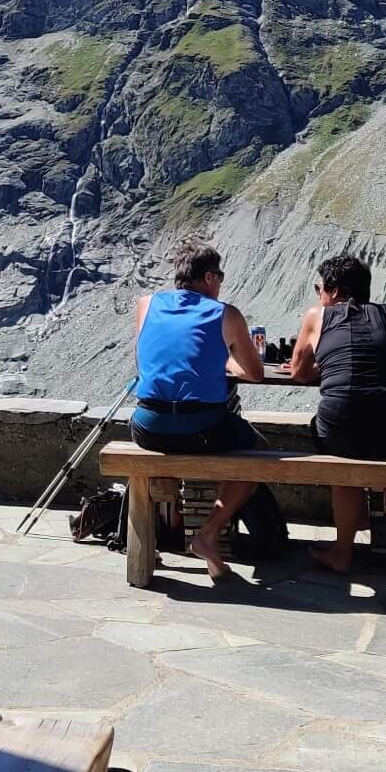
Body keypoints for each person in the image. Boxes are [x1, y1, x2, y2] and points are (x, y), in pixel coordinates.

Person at [131, 241, 266, 580]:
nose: (221, 284)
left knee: (157, 455)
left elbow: (147, 360)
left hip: (147, 426)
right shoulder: (226, 313)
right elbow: (255, 373)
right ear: (208, 277)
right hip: (201, 428)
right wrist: (227, 363)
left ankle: (158, 535)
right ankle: (209, 533)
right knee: (258, 451)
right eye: (219, 276)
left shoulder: (146, 305)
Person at [289, 253, 386, 574]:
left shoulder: (318, 316)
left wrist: (328, 365)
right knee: (360, 436)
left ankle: (342, 552)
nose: (318, 295)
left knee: (343, 455)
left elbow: (298, 373)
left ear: (334, 291)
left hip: (340, 427)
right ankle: (365, 522)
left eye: (320, 288)